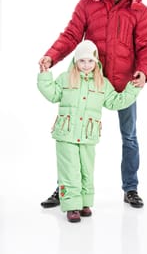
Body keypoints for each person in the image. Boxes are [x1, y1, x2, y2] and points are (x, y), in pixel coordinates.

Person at [39, 0, 147, 209]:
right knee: (71, 137)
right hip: (87, 81)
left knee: (129, 137)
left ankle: (131, 188)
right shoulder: (87, 5)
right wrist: (51, 56)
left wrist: (143, 72)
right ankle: (64, 189)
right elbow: (71, 35)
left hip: (122, 84)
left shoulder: (139, 10)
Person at [38, 40, 141, 222]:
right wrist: (45, 76)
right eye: (82, 61)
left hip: (88, 135)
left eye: (90, 61)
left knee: (87, 169)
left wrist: (132, 89)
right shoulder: (66, 78)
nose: (86, 65)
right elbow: (52, 94)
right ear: (75, 62)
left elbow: (115, 101)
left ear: (96, 63)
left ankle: (85, 203)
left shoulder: (102, 84)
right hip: (66, 134)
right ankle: (71, 206)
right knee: (70, 170)